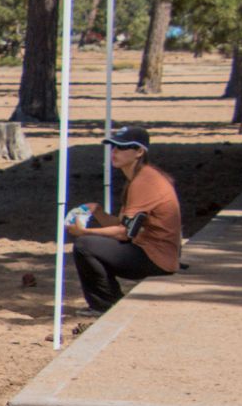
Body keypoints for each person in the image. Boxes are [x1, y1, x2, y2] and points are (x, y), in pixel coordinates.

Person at [67, 125, 181, 314]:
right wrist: (98, 212)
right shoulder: (139, 177)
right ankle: (108, 300)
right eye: (113, 147)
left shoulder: (144, 182)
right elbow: (121, 224)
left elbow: (123, 233)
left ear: (139, 152)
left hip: (156, 258)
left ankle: (105, 304)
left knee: (84, 245)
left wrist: (84, 232)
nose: (114, 152)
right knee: (90, 243)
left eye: (122, 147)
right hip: (154, 252)